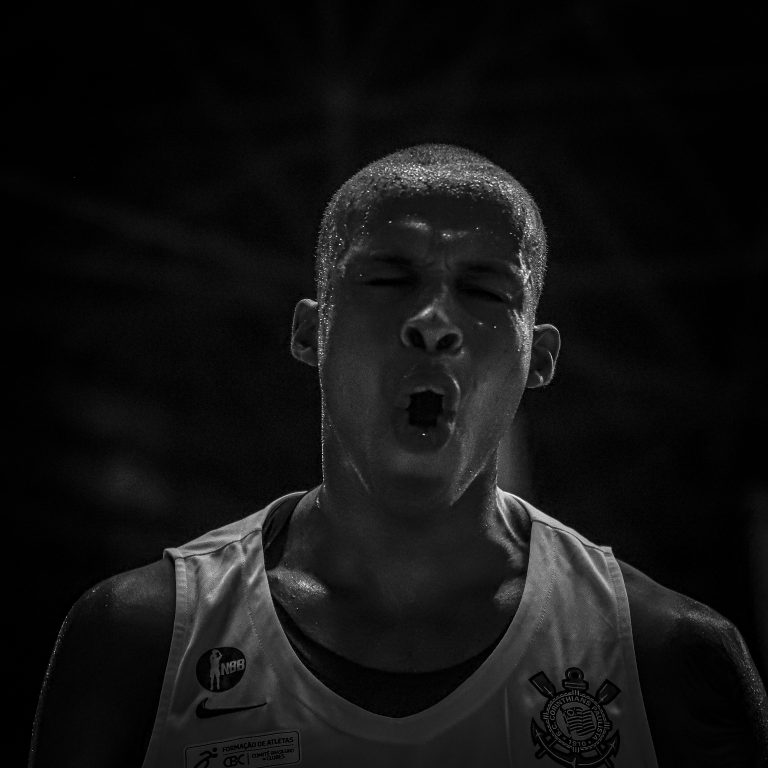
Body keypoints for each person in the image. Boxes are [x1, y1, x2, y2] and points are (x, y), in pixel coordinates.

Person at [30, 144, 767, 767]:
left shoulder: (664, 656)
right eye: (387, 279)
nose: (434, 320)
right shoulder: (142, 637)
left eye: (485, 290)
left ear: (539, 358)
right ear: (310, 332)